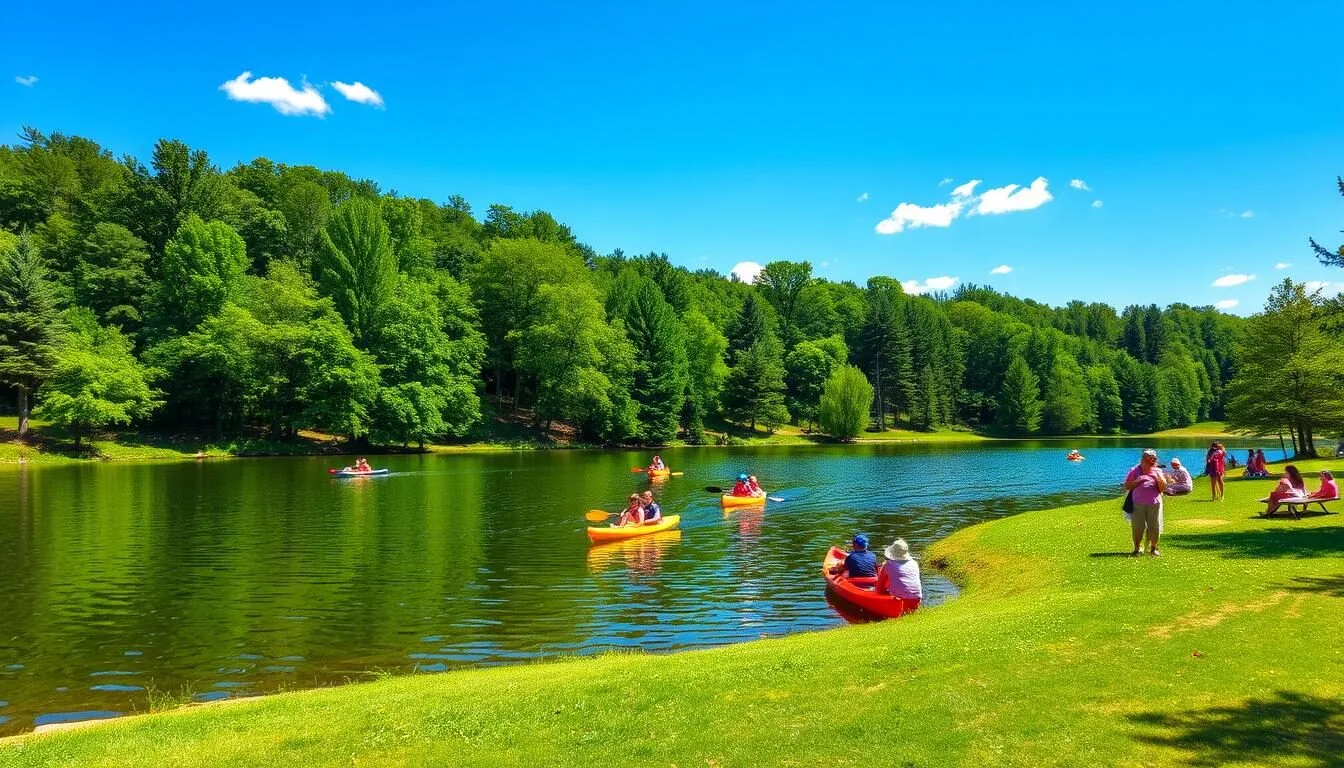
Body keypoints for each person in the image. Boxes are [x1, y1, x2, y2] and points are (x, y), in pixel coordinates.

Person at [1124, 449, 1168, 556]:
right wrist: (1138, 481)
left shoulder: (1158, 471)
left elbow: (1162, 489)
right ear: (1143, 459)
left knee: (1154, 526)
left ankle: (1153, 548)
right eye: (1148, 458)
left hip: (1154, 503)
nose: (1151, 461)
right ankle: (1137, 548)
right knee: (1138, 527)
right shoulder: (1134, 470)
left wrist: (1159, 480)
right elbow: (1127, 486)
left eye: (1153, 459)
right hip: (1137, 503)